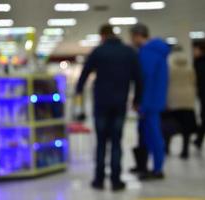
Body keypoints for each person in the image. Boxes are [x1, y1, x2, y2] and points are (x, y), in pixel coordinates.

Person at [76, 24, 142, 191]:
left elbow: (85, 73)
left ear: (103, 35)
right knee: (116, 142)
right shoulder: (128, 52)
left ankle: (98, 179)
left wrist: (78, 91)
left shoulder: (98, 51)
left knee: (101, 143)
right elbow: (139, 78)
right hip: (120, 104)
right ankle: (116, 180)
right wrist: (137, 100)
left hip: (101, 104)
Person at [130, 23, 170, 180]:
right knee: (149, 134)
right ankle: (148, 166)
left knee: (153, 135)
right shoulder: (157, 52)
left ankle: (157, 169)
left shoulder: (147, 53)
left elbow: (143, 78)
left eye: (132, 37)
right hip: (156, 98)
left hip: (149, 100)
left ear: (138, 36)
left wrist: (138, 100)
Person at [164, 46, 197, 159]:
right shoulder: (189, 68)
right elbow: (193, 82)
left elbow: (166, 84)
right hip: (188, 99)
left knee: (169, 125)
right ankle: (185, 150)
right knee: (186, 128)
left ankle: (167, 148)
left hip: (173, 99)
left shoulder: (169, 67)